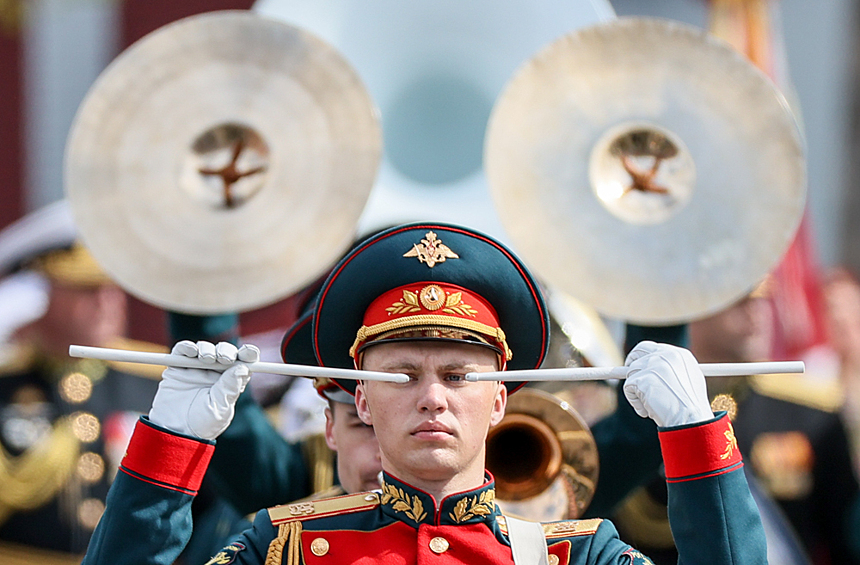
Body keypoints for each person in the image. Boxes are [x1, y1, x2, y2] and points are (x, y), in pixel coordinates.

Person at [81, 223, 767, 565]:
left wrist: (698, 443)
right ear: (360, 403)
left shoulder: (576, 554)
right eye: (402, 375)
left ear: (500, 401)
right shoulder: (279, 547)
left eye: (460, 375)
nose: (433, 396)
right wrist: (168, 450)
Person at [0, 201, 162, 559]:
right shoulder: (6, 386)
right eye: (87, 289)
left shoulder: (161, 381)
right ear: (44, 294)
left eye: (113, 288)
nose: (107, 302)